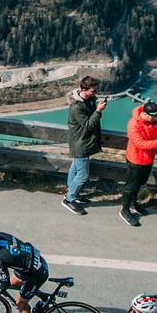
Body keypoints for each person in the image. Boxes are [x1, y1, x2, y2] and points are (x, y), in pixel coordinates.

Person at [119, 101, 157, 227]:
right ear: (145, 114)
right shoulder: (133, 124)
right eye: (154, 117)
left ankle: (134, 204)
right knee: (131, 186)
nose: (156, 119)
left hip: (148, 159)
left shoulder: (154, 121)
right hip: (136, 160)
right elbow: (141, 144)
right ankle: (125, 210)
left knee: (140, 183)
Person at [63, 77, 106, 215]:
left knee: (75, 169)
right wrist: (98, 111)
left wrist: (97, 107)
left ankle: (71, 194)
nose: (95, 93)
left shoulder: (89, 99)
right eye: (93, 91)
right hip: (80, 143)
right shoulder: (76, 107)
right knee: (83, 175)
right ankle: (69, 199)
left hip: (84, 141)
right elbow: (87, 125)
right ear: (83, 89)